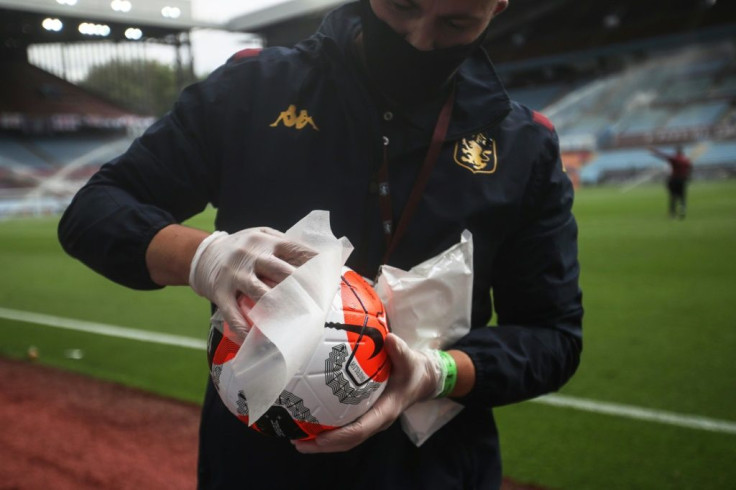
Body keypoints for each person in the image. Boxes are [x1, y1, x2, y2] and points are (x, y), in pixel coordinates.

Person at [58, 1, 583, 489]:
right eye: (403, 6)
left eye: (456, 24)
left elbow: (553, 336)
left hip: (433, 467)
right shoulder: (254, 88)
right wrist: (203, 257)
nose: (419, 41)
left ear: (497, 8)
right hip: (254, 459)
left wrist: (437, 373)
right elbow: (95, 211)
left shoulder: (523, 144)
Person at [649, 145, 693, 219]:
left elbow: (664, 156)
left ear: (677, 152)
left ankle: (672, 213)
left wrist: (655, 151)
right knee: (682, 197)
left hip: (674, 179)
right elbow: (690, 168)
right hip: (682, 180)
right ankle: (682, 212)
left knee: (673, 196)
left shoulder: (675, 159)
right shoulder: (686, 160)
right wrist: (688, 177)